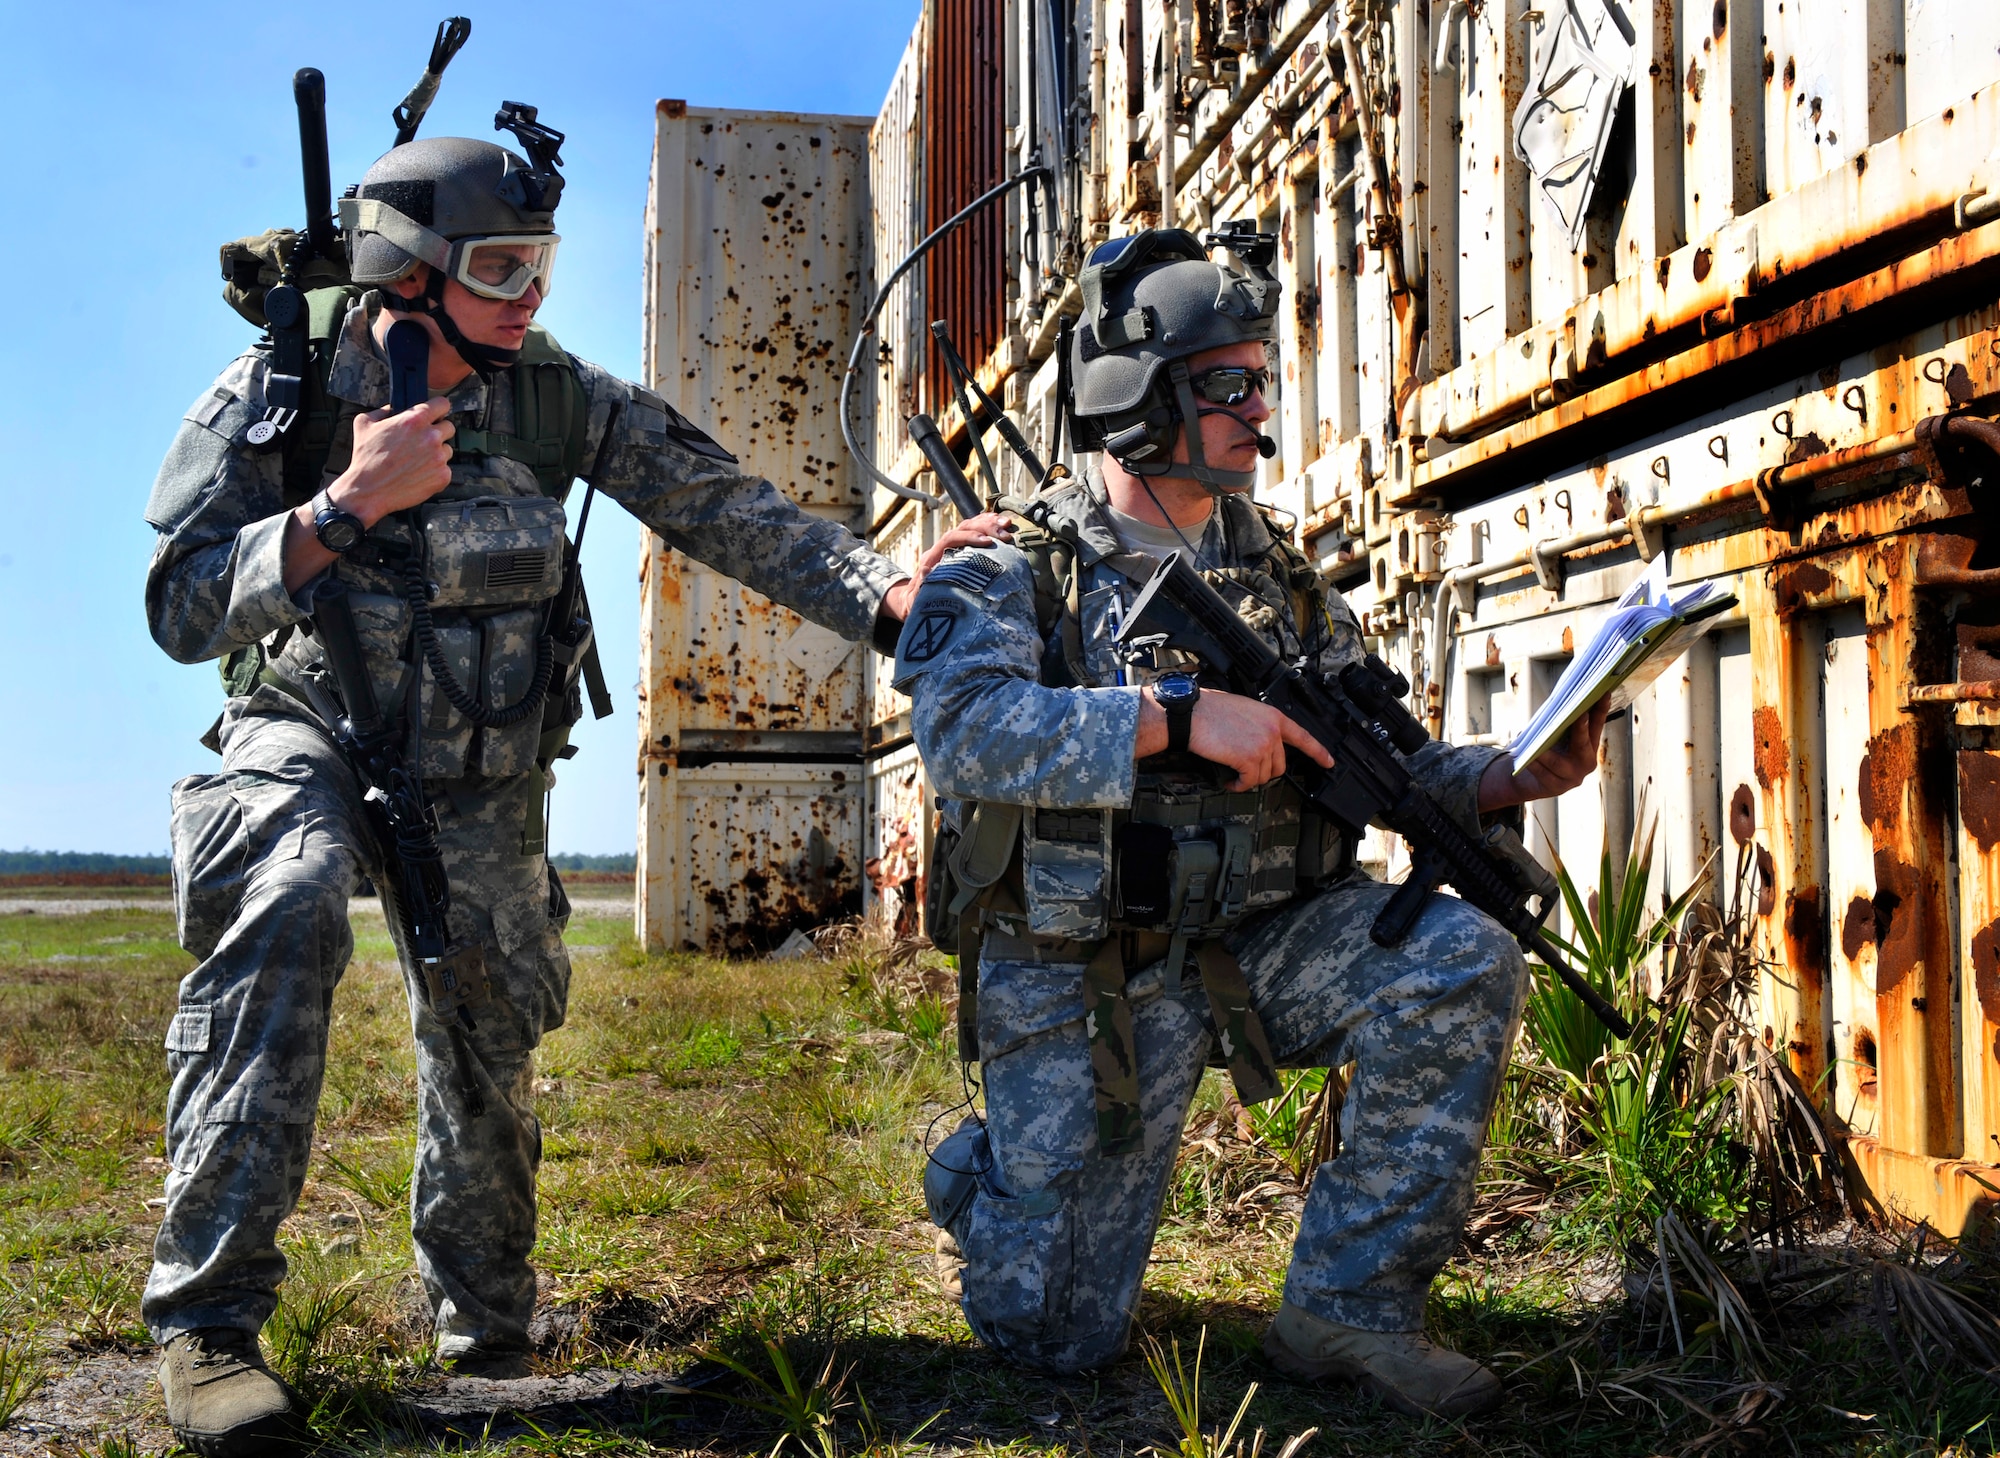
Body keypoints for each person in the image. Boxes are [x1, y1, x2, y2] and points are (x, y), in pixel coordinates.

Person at [142, 123, 1003, 1455]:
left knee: (491, 1009)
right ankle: (208, 1329)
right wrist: (342, 508)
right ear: (410, 271)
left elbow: (719, 503)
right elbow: (181, 607)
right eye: (499, 265)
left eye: (542, 262)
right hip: (308, 728)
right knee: (290, 899)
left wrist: (891, 599)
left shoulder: (555, 398)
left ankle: (482, 1332)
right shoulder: (282, 389)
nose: (530, 292)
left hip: (479, 773)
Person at [905, 228, 1604, 1419]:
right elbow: (963, 731)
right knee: (1053, 1338)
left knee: (1454, 956)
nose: (1255, 408)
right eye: (1224, 384)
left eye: (1259, 381)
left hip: (1255, 948)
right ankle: (985, 1179)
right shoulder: (1008, 564)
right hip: (1083, 977)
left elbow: (1378, 758)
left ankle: (1348, 1309)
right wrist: (1171, 716)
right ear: (1136, 395)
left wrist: (1499, 780)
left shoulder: (1272, 568)